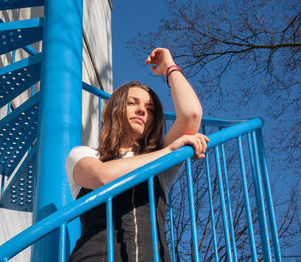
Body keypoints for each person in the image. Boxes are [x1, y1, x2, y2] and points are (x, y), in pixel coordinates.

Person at [66, 48, 209, 261]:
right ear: (114, 109)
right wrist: (169, 150)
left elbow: (191, 114)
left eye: (150, 109)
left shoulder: (161, 164)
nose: (142, 110)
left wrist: (169, 66)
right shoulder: (84, 155)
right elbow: (102, 177)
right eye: (132, 103)